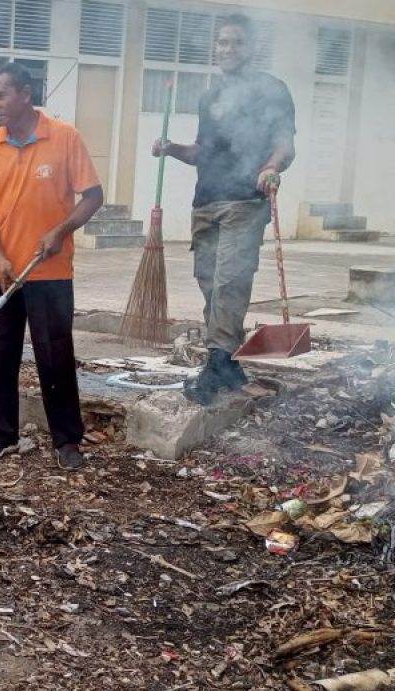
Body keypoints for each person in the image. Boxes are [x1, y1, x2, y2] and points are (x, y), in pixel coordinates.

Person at [0, 62, 103, 469]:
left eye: (1, 96)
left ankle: (67, 441)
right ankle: (2, 435)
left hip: (50, 272)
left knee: (55, 356)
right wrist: (2, 258)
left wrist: (61, 230)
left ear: (25, 93)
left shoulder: (64, 137)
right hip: (1, 274)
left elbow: (93, 197)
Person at [153, 14, 295, 405]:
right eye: (222, 43)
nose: (228, 50)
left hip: (245, 202)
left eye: (236, 43)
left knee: (231, 281)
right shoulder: (209, 96)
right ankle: (228, 365)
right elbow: (203, 152)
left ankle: (215, 367)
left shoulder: (272, 90)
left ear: (251, 48)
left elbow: (285, 144)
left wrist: (271, 167)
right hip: (207, 202)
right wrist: (171, 148)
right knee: (211, 286)